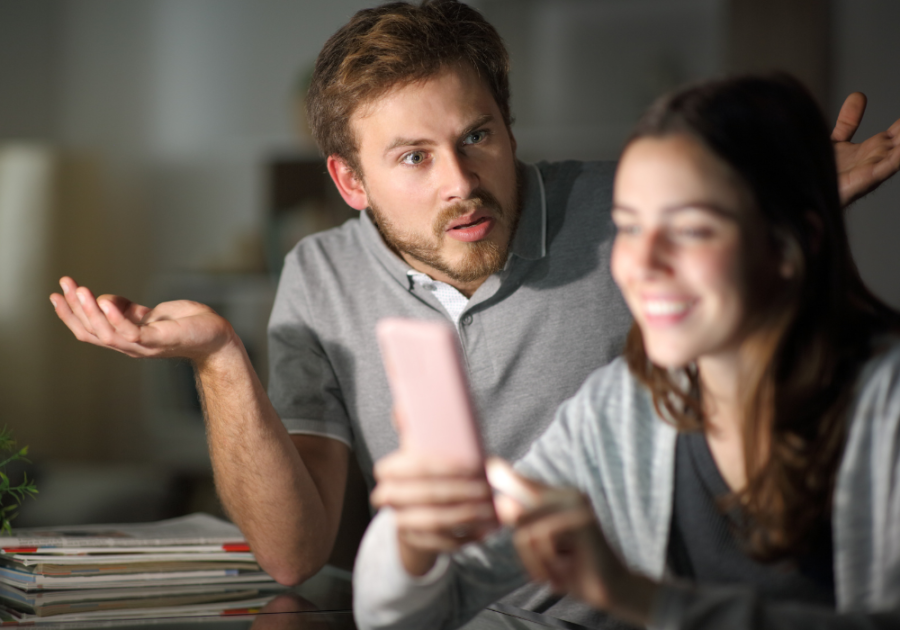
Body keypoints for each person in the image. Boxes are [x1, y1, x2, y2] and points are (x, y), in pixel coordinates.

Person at [49, 0, 900, 624]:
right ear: (351, 184)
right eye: (414, 157)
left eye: (478, 136)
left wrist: (779, 207)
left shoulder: (628, 209)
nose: (461, 182)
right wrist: (219, 360)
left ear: (509, 125)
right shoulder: (322, 272)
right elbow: (298, 557)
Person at [354, 73, 900, 630]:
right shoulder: (618, 410)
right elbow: (412, 613)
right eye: (630, 228)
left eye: (689, 230)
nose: (643, 265)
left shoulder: (886, 407)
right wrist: (411, 541)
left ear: (793, 242)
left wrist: (640, 600)